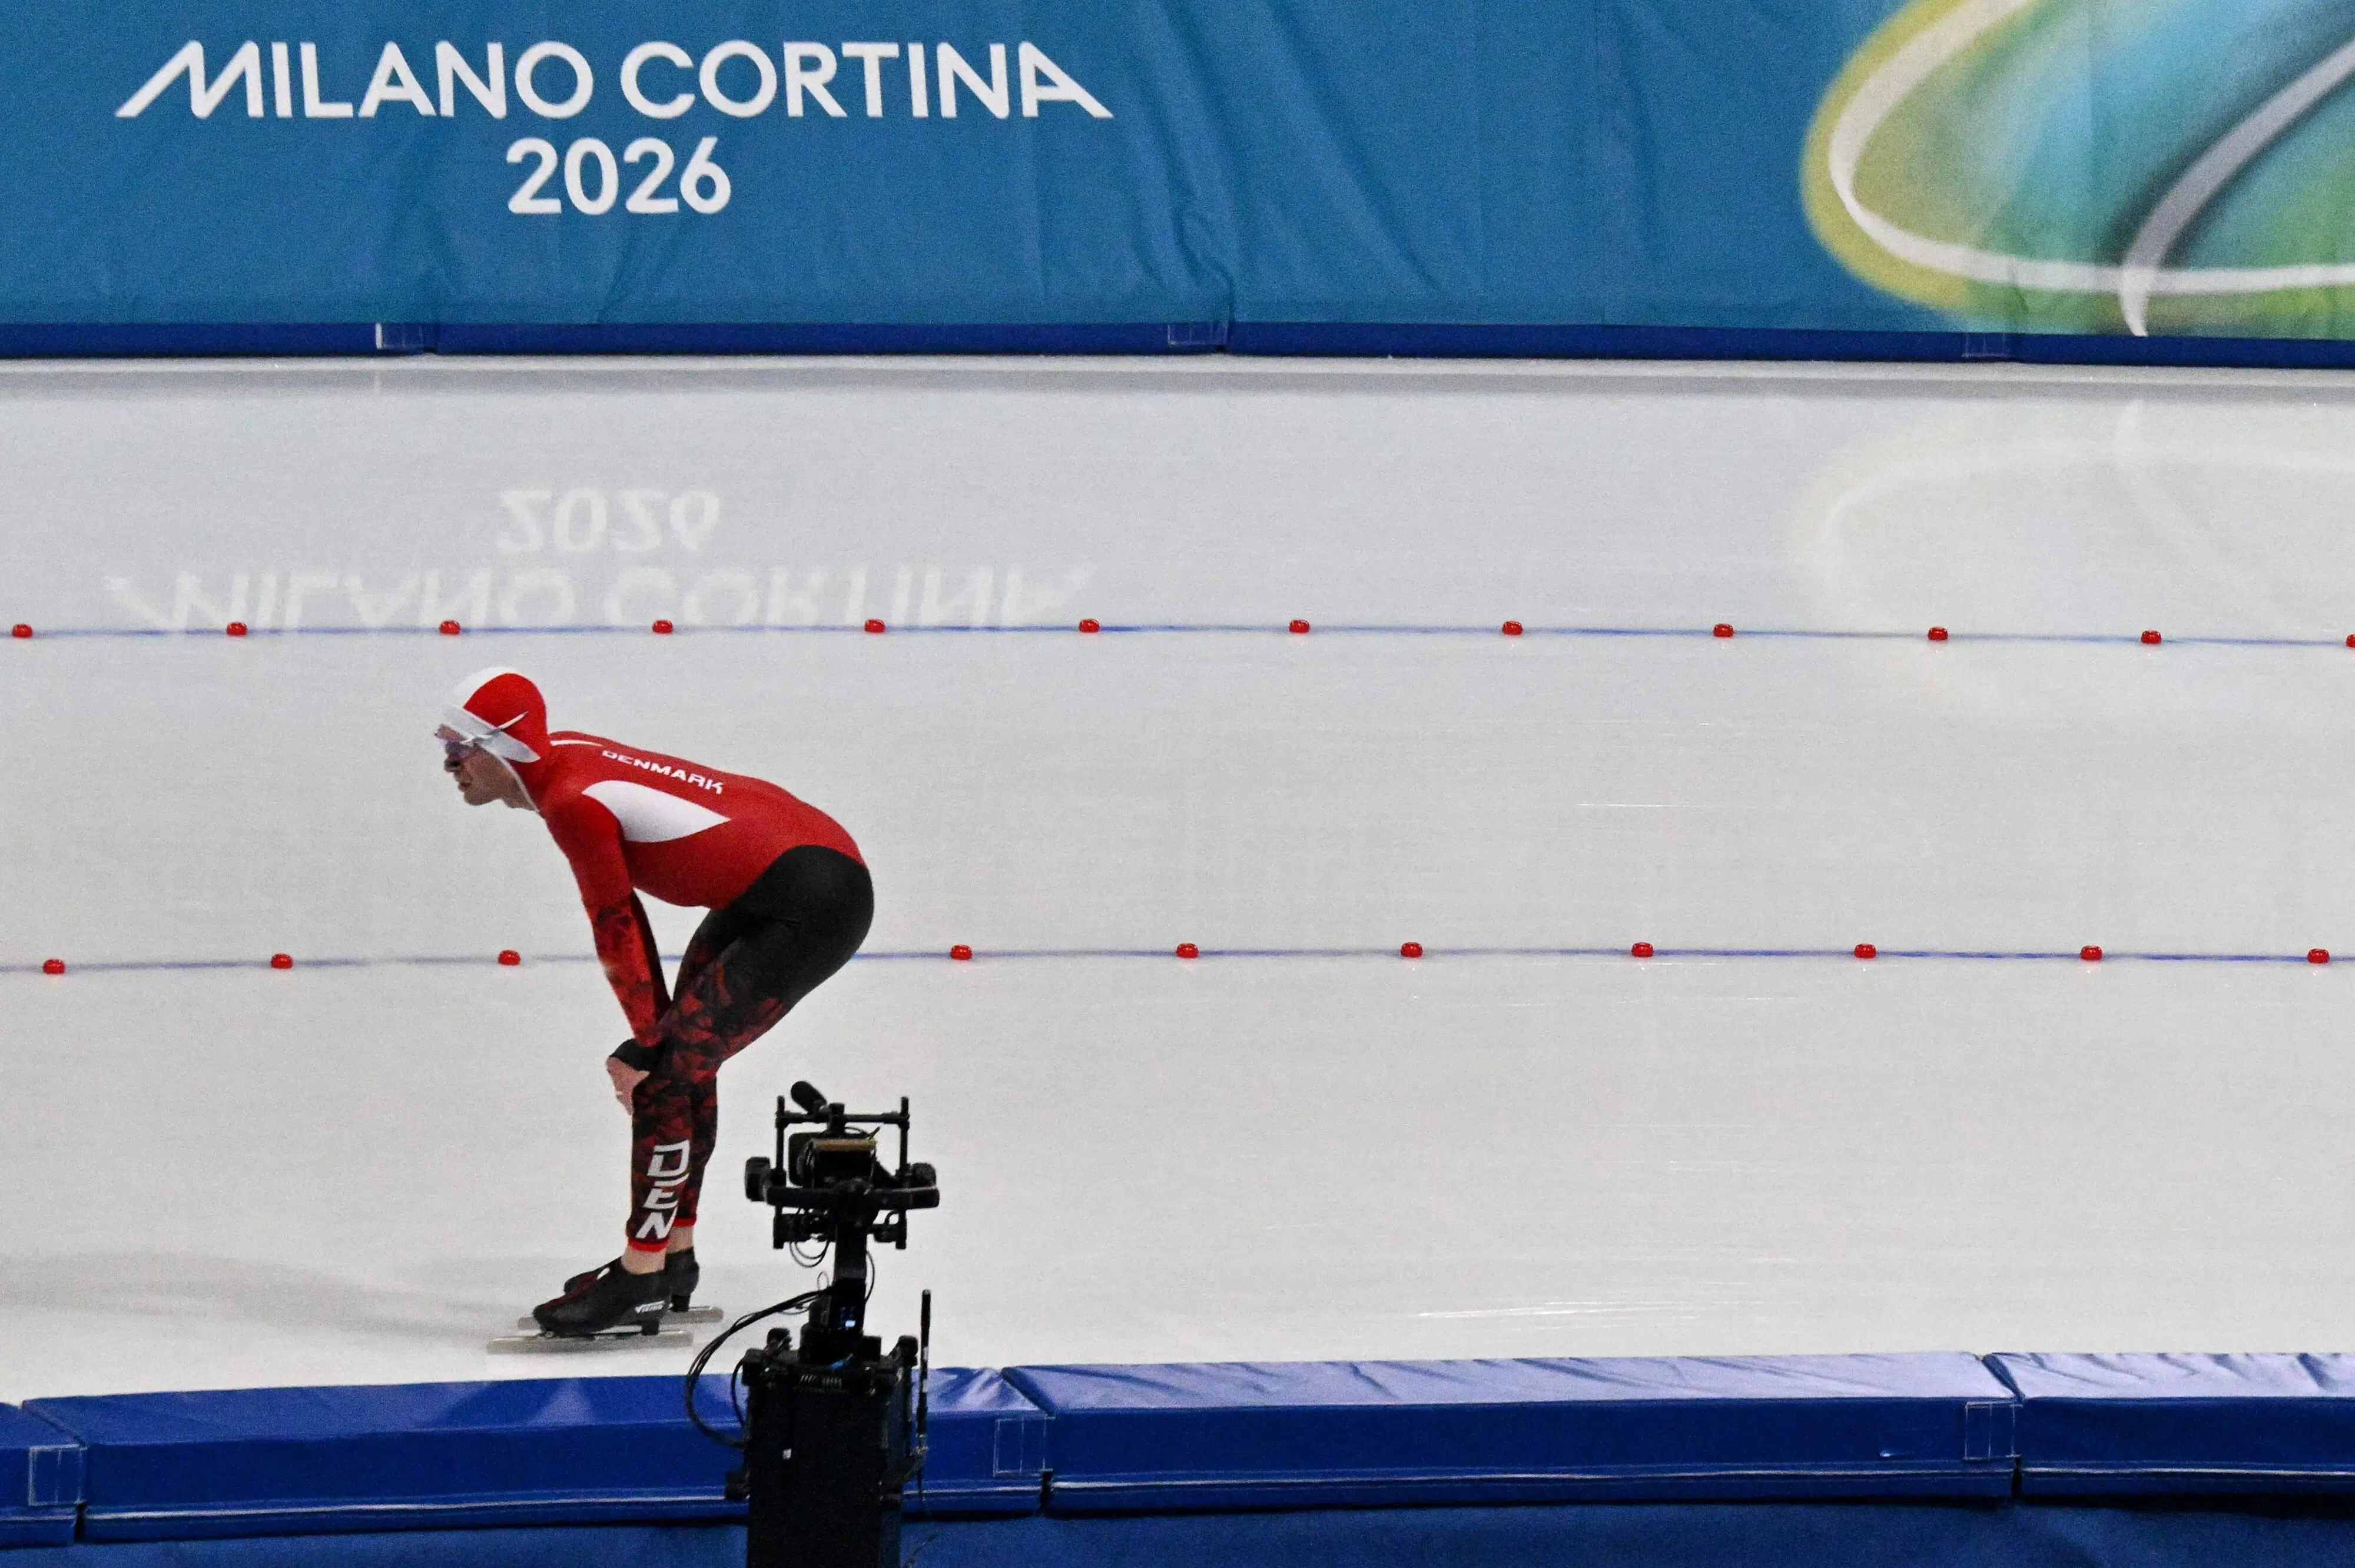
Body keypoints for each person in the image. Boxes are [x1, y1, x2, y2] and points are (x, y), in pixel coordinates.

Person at [436, 667, 873, 1336]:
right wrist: (653, 1036)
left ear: (504, 750)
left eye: (461, 749)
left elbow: (615, 925)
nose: (449, 765)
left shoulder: (573, 802)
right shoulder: (562, 756)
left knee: (666, 1076)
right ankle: (673, 1257)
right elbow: (628, 928)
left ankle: (638, 1279)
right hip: (775, 878)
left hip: (814, 900)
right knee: (681, 1064)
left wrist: (648, 1044)